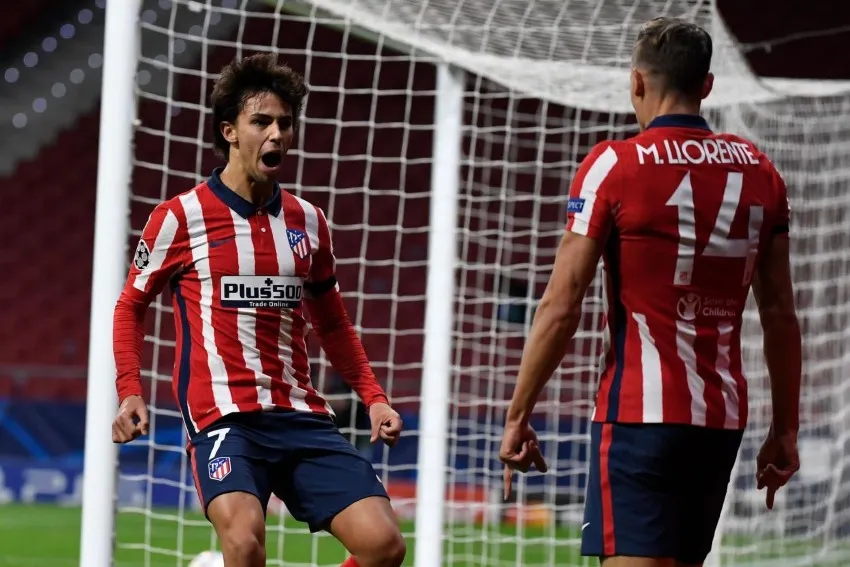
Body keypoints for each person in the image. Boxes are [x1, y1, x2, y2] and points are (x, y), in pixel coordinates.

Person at [499, 17, 801, 567]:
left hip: (640, 415)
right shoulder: (762, 172)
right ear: (707, 86)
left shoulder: (614, 165)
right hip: (720, 419)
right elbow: (780, 313)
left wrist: (519, 414)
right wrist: (785, 431)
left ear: (637, 82)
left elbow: (562, 304)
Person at [110, 53, 406, 567]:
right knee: (245, 543)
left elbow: (332, 321)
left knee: (384, 547)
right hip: (224, 418)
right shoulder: (180, 217)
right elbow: (130, 305)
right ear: (230, 130)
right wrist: (130, 390)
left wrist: (374, 398)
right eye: (261, 122)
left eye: (285, 123)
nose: (277, 134)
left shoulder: (309, 222)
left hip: (301, 414)